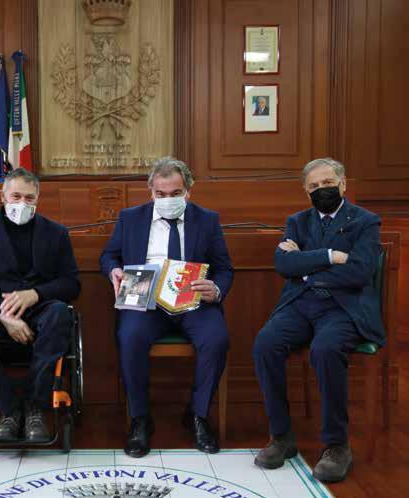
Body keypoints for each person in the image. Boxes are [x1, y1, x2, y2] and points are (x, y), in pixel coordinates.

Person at [253, 157, 384, 482]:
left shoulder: (365, 221)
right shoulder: (297, 222)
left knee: (325, 350)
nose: (321, 190)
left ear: (343, 184)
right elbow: (284, 265)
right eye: (314, 186)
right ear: (305, 191)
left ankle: (337, 446)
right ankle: (282, 437)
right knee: (265, 344)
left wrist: (308, 271)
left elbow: (360, 271)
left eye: (327, 183)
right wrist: (329, 257)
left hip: (343, 306)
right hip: (300, 304)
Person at [99, 157, 234, 458]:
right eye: (160, 194)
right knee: (130, 337)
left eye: (175, 193)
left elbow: (224, 268)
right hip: (144, 298)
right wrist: (114, 271)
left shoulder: (207, 219)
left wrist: (216, 289)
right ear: (151, 192)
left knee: (216, 339)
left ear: (188, 191)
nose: (167, 199)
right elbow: (109, 255)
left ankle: (198, 415)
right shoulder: (130, 218)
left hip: (193, 300)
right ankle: (140, 419)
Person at [0, 168, 80, 443]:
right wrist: (4, 316)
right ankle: (10, 410)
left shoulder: (57, 233)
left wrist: (35, 294)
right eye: (16, 196)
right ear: (2, 196)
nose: (22, 203)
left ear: (37, 198)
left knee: (60, 314)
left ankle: (35, 407)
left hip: (41, 310)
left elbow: (72, 284)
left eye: (29, 198)